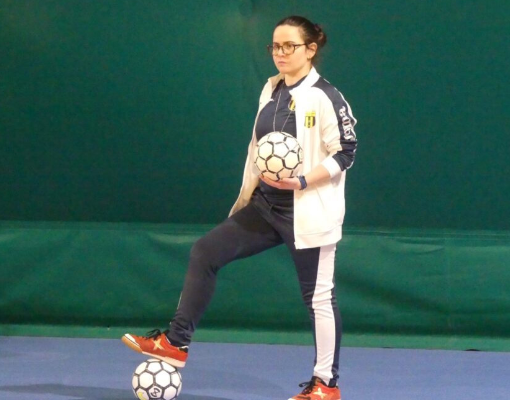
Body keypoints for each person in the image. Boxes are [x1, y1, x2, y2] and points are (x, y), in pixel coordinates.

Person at [122, 15, 357, 400]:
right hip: (265, 206)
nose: (280, 53)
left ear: (311, 49)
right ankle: (175, 343)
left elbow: (345, 152)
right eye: (275, 46)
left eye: (289, 46)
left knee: (319, 299)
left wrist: (301, 181)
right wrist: (249, 194)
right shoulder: (271, 89)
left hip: (308, 212)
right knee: (205, 251)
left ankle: (325, 386)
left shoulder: (326, 96)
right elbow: (258, 150)